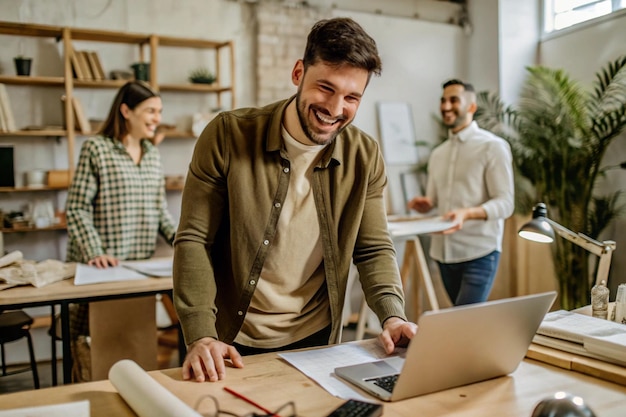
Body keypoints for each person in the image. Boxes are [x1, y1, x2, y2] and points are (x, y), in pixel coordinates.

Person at [173, 17, 417, 383]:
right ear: (298, 72)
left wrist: (393, 315)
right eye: (325, 88)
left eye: (352, 97)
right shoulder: (227, 135)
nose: (335, 109)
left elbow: (373, 248)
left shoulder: (364, 156)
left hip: (316, 343)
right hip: (229, 342)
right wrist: (200, 332)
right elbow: (194, 239)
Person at [65, 80, 177, 380]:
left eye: (159, 111)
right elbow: (77, 208)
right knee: (95, 350)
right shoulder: (96, 149)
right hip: (100, 270)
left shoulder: (152, 155)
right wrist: (95, 251)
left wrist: (184, 241)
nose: (157, 118)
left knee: (133, 344)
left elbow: (159, 212)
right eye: (150, 111)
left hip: (136, 272)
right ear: (126, 110)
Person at [407, 79, 514, 306]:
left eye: (454, 100)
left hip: (480, 252)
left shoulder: (493, 147)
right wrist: (426, 203)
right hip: (443, 254)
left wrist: (467, 213)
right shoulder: (438, 154)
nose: (446, 106)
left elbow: (505, 203)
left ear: (472, 107)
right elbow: (435, 200)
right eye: (443, 100)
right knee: (461, 321)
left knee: (465, 319)